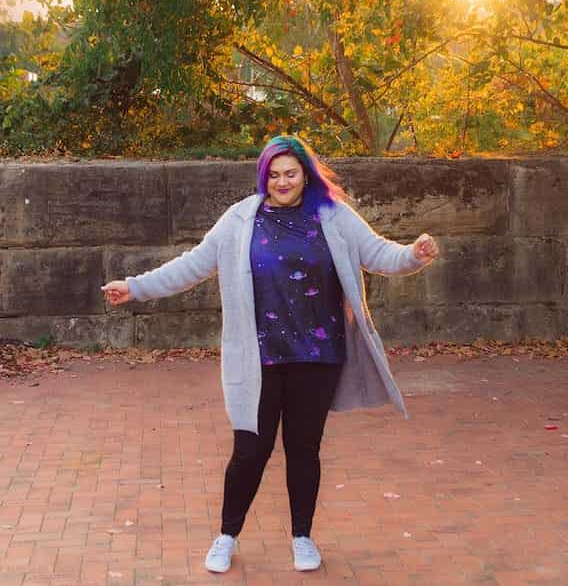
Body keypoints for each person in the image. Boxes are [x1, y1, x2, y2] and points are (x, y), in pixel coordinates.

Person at [102, 135, 439, 574]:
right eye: (274, 174)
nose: (282, 182)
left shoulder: (332, 215)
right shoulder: (241, 219)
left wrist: (414, 255)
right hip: (259, 358)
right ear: (264, 176)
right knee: (250, 450)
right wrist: (136, 286)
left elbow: (378, 253)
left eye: (291, 173)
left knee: (304, 448)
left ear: (305, 174)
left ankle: (302, 537)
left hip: (317, 355)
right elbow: (193, 264)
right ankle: (226, 535)